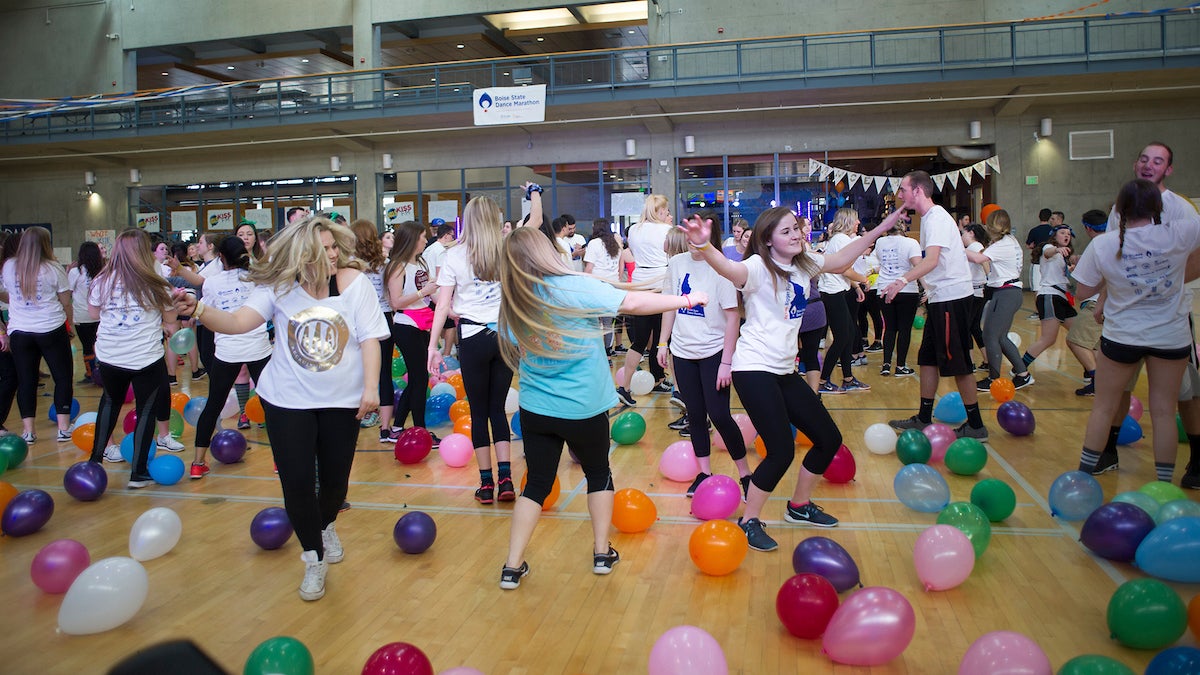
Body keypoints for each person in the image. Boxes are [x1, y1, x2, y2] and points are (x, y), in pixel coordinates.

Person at [177, 216, 386, 601]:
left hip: (342, 402)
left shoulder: (354, 284)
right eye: (323, 250)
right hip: (287, 401)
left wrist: (371, 388)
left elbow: (371, 339)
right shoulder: (279, 287)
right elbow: (239, 322)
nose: (333, 254)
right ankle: (313, 557)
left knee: (336, 485)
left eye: (334, 247)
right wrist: (198, 310)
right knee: (297, 483)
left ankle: (325, 525)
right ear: (303, 256)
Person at [495, 227, 710, 589]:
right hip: (583, 406)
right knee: (599, 474)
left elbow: (514, 350)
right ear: (545, 252)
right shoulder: (571, 287)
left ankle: (511, 567)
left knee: (536, 485)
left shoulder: (513, 302)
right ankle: (600, 553)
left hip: (536, 410)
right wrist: (687, 300)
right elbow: (634, 305)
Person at [680, 206, 892, 551]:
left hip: (783, 370)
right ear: (767, 240)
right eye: (787, 232)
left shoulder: (803, 264)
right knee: (780, 451)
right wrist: (705, 246)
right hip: (752, 369)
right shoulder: (757, 267)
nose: (796, 235)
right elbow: (729, 268)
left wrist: (879, 228)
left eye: (797, 229)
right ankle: (749, 520)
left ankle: (799, 505)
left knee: (828, 437)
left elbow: (839, 260)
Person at [1072, 179, 1200, 484]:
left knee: (1103, 408)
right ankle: (1163, 485)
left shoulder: (1105, 243)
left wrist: (1113, 283)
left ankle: (1083, 478)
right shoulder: (1179, 232)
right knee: (1164, 412)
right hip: (1171, 338)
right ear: (1158, 208)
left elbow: (1082, 291)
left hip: (1122, 337)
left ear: (1120, 209)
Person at [883, 171, 989, 440]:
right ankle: (923, 417)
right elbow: (947, 256)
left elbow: (930, 261)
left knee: (958, 362)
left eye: (903, 190)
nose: (900, 195)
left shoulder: (938, 217)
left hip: (952, 299)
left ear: (918, 191)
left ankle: (976, 424)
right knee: (928, 358)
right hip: (941, 298)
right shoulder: (931, 219)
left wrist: (901, 281)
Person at [427, 196, 516, 504]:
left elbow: (442, 306)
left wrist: (433, 345)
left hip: (473, 337)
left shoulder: (455, 255)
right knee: (497, 410)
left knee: (479, 413)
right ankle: (506, 480)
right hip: (503, 336)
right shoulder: (506, 248)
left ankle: (487, 483)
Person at [657, 212, 750, 497]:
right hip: (682, 353)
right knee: (695, 415)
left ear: (711, 234)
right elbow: (671, 305)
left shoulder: (723, 267)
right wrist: (663, 344)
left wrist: (726, 362)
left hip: (713, 352)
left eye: (699, 230)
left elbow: (733, 318)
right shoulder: (676, 263)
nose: (692, 236)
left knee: (720, 415)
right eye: (689, 230)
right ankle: (704, 472)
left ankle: (746, 475)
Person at [86, 229, 181, 487]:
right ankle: (138, 473)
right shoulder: (156, 281)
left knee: (109, 402)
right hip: (145, 357)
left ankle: (94, 461)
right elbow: (171, 318)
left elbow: (94, 312)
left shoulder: (102, 279)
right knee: (146, 410)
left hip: (110, 355)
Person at [188, 236, 272, 480]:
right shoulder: (258, 278)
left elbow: (209, 314)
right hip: (258, 348)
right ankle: (280, 461)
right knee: (272, 405)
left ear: (221, 257)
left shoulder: (212, 283)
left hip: (227, 350)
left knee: (214, 404)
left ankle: (197, 463)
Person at [1, 227, 74, 444]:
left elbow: (5, 292)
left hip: (20, 331)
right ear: (45, 244)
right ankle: (63, 429)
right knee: (62, 377)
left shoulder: (10, 266)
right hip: (50, 328)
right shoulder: (52, 267)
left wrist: (19, 296)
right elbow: (66, 301)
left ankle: (28, 431)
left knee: (26, 381)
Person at [616, 195, 675, 405]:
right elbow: (672, 254)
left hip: (640, 286)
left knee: (640, 341)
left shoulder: (634, 230)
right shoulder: (665, 230)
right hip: (661, 285)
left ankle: (626, 387)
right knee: (665, 340)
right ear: (659, 211)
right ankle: (676, 389)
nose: (668, 215)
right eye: (666, 211)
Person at [968, 209, 1033, 392]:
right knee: (1001, 337)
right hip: (1005, 292)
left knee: (989, 335)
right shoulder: (1007, 242)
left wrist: (957, 248)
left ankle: (993, 378)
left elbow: (978, 258)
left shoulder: (1003, 244)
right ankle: (1023, 374)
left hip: (1007, 293)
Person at [387, 221, 439, 442]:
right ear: (411, 239)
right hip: (406, 324)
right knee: (419, 378)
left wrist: (451, 310)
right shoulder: (397, 267)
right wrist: (422, 293)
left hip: (423, 321)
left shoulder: (421, 262)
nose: (426, 240)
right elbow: (395, 302)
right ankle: (421, 430)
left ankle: (398, 426)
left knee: (418, 378)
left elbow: (430, 294)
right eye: (422, 237)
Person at [817, 208, 871, 394]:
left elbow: (844, 269)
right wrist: (863, 280)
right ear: (848, 221)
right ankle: (823, 381)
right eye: (855, 220)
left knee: (848, 333)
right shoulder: (841, 240)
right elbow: (844, 270)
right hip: (831, 293)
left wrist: (855, 286)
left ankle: (848, 378)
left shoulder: (842, 240)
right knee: (842, 337)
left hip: (837, 290)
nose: (858, 223)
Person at [350, 219, 393, 432]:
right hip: (382, 318)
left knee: (357, 369)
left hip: (357, 319)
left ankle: (359, 415)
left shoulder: (348, 264)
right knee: (382, 372)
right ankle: (385, 427)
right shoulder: (384, 263)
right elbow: (389, 295)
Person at [1021, 224, 1077, 369]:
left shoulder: (1065, 256)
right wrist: (1056, 249)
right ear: (1054, 236)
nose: (1066, 236)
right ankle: (1020, 368)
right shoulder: (1048, 247)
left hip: (1061, 297)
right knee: (1048, 339)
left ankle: (1090, 372)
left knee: (1079, 333)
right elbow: (1048, 252)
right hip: (1049, 296)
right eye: (1062, 233)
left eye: (1068, 234)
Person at [874, 216, 922, 377]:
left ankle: (886, 364)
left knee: (889, 328)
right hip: (907, 289)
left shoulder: (880, 242)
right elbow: (918, 266)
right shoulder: (911, 243)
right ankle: (900, 365)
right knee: (904, 329)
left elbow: (879, 262)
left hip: (884, 288)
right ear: (902, 227)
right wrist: (928, 288)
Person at [1067, 210, 1108, 397]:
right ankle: (1098, 383)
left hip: (1096, 303)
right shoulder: (1114, 241)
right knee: (1097, 347)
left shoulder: (1096, 244)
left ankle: (1098, 380)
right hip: (1115, 305)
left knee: (1076, 341)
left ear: (1087, 228)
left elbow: (1083, 291)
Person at [583, 218, 622, 354]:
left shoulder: (594, 244)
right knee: (607, 323)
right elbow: (619, 268)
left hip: (597, 286)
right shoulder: (615, 244)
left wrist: (583, 285)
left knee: (592, 322)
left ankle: (594, 353)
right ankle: (608, 354)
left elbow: (589, 268)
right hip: (612, 287)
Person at [69, 241, 104, 386]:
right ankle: (102, 373)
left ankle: (90, 374)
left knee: (87, 346)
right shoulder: (103, 271)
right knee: (100, 344)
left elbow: (68, 292)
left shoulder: (75, 272)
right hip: (100, 315)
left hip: (82, 316)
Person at [424, 222, 457, 357]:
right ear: (446, 235)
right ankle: (447, 353)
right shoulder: (441, 251)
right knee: (449, 325)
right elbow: (441, 274)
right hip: (439, 291)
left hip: (429, 291)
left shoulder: (428, 249)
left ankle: (435, 348)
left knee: (435, 322)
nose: (453, 239)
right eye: (452, 236)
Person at [961, 223, 990, 370]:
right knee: (974, 327)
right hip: (978, 292)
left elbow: (984, 260)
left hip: (974, 293)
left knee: (965, 327)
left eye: (963, 233)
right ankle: (987, 361)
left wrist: (989, 276)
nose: (961, 237)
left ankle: (969, 362)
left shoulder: (974, 246)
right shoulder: (973, 247)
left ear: (971, 233)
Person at [1025, 208, 1053, 291]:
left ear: (1039, 217)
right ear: (1050, 217)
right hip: (1050, 262)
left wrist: (1033, 246)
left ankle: (1038, 304)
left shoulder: (1034, 230)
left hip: (1038, 261)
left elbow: (1028, 245)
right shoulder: (1053, 231)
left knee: (1037, 288)